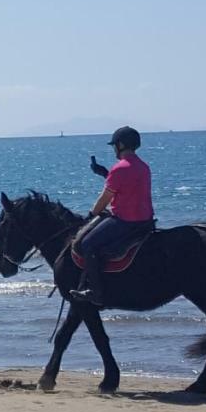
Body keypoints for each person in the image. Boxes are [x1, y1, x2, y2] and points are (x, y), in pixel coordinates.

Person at [69, 126, 154, 305]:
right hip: (145, 221)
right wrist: (104, 173)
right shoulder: (143, 166)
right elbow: (127, 185)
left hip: (125, 221)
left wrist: (91, 214)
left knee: (87, 243)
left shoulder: (119, 168)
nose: (114, 149)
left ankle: (96, 292)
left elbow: (105, 198)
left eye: (114, 145)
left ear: (121, 145)